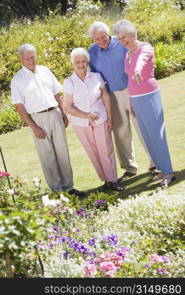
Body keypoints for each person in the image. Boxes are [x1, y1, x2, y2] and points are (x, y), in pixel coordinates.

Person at [10, 43, 85, 197]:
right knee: (47, 156)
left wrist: (63, 113)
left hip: (55, 114)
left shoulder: (45, 71)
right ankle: (57, 191)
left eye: (33, 57)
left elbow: (57, 94)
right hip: (37, 119)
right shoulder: (17, 80)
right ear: (21, 59)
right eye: (27, 58)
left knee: (63, 152)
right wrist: (33, 127)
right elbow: (20, 108)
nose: (31, 60)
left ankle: (69, 187)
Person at [88, 21, 159, 180]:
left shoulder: (121, 44)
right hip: (111, 96)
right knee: (120, 132)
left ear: (108, 34)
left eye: (103, 37)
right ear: (93, 40)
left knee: (142, 126)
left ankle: (154, 163)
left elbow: (136, 56)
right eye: (97, 39)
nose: (101, 41)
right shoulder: (92, 52)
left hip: (131, 90)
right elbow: (93, 76)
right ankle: (129, 168)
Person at [114, 20, 175, 187]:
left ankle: (169, 172)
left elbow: (142, 60)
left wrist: (137, 70)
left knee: (157, 135)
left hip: (149, 95)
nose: (122, 41)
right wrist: (130, 102)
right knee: (148, 136)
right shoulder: (127, 53)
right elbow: (129, 80)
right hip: (135, 99)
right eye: (119, 38)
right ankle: (161, 169)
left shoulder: (145, 48)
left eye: (124, 37)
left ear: (133, 33)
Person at [63, 47, 123, 191]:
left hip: (101, 118)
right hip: (81, 123)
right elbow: (67, 107)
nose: (81, 64)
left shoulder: (96, 76)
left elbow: (106, 97)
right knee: (93, 152)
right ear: (72, 63)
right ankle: (106, 181)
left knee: (106, 149)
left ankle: (113, 180)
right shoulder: (69, 82)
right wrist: (86, 116)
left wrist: (109, 116)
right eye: (77, 62)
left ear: (87, 62)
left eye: (83, 61)